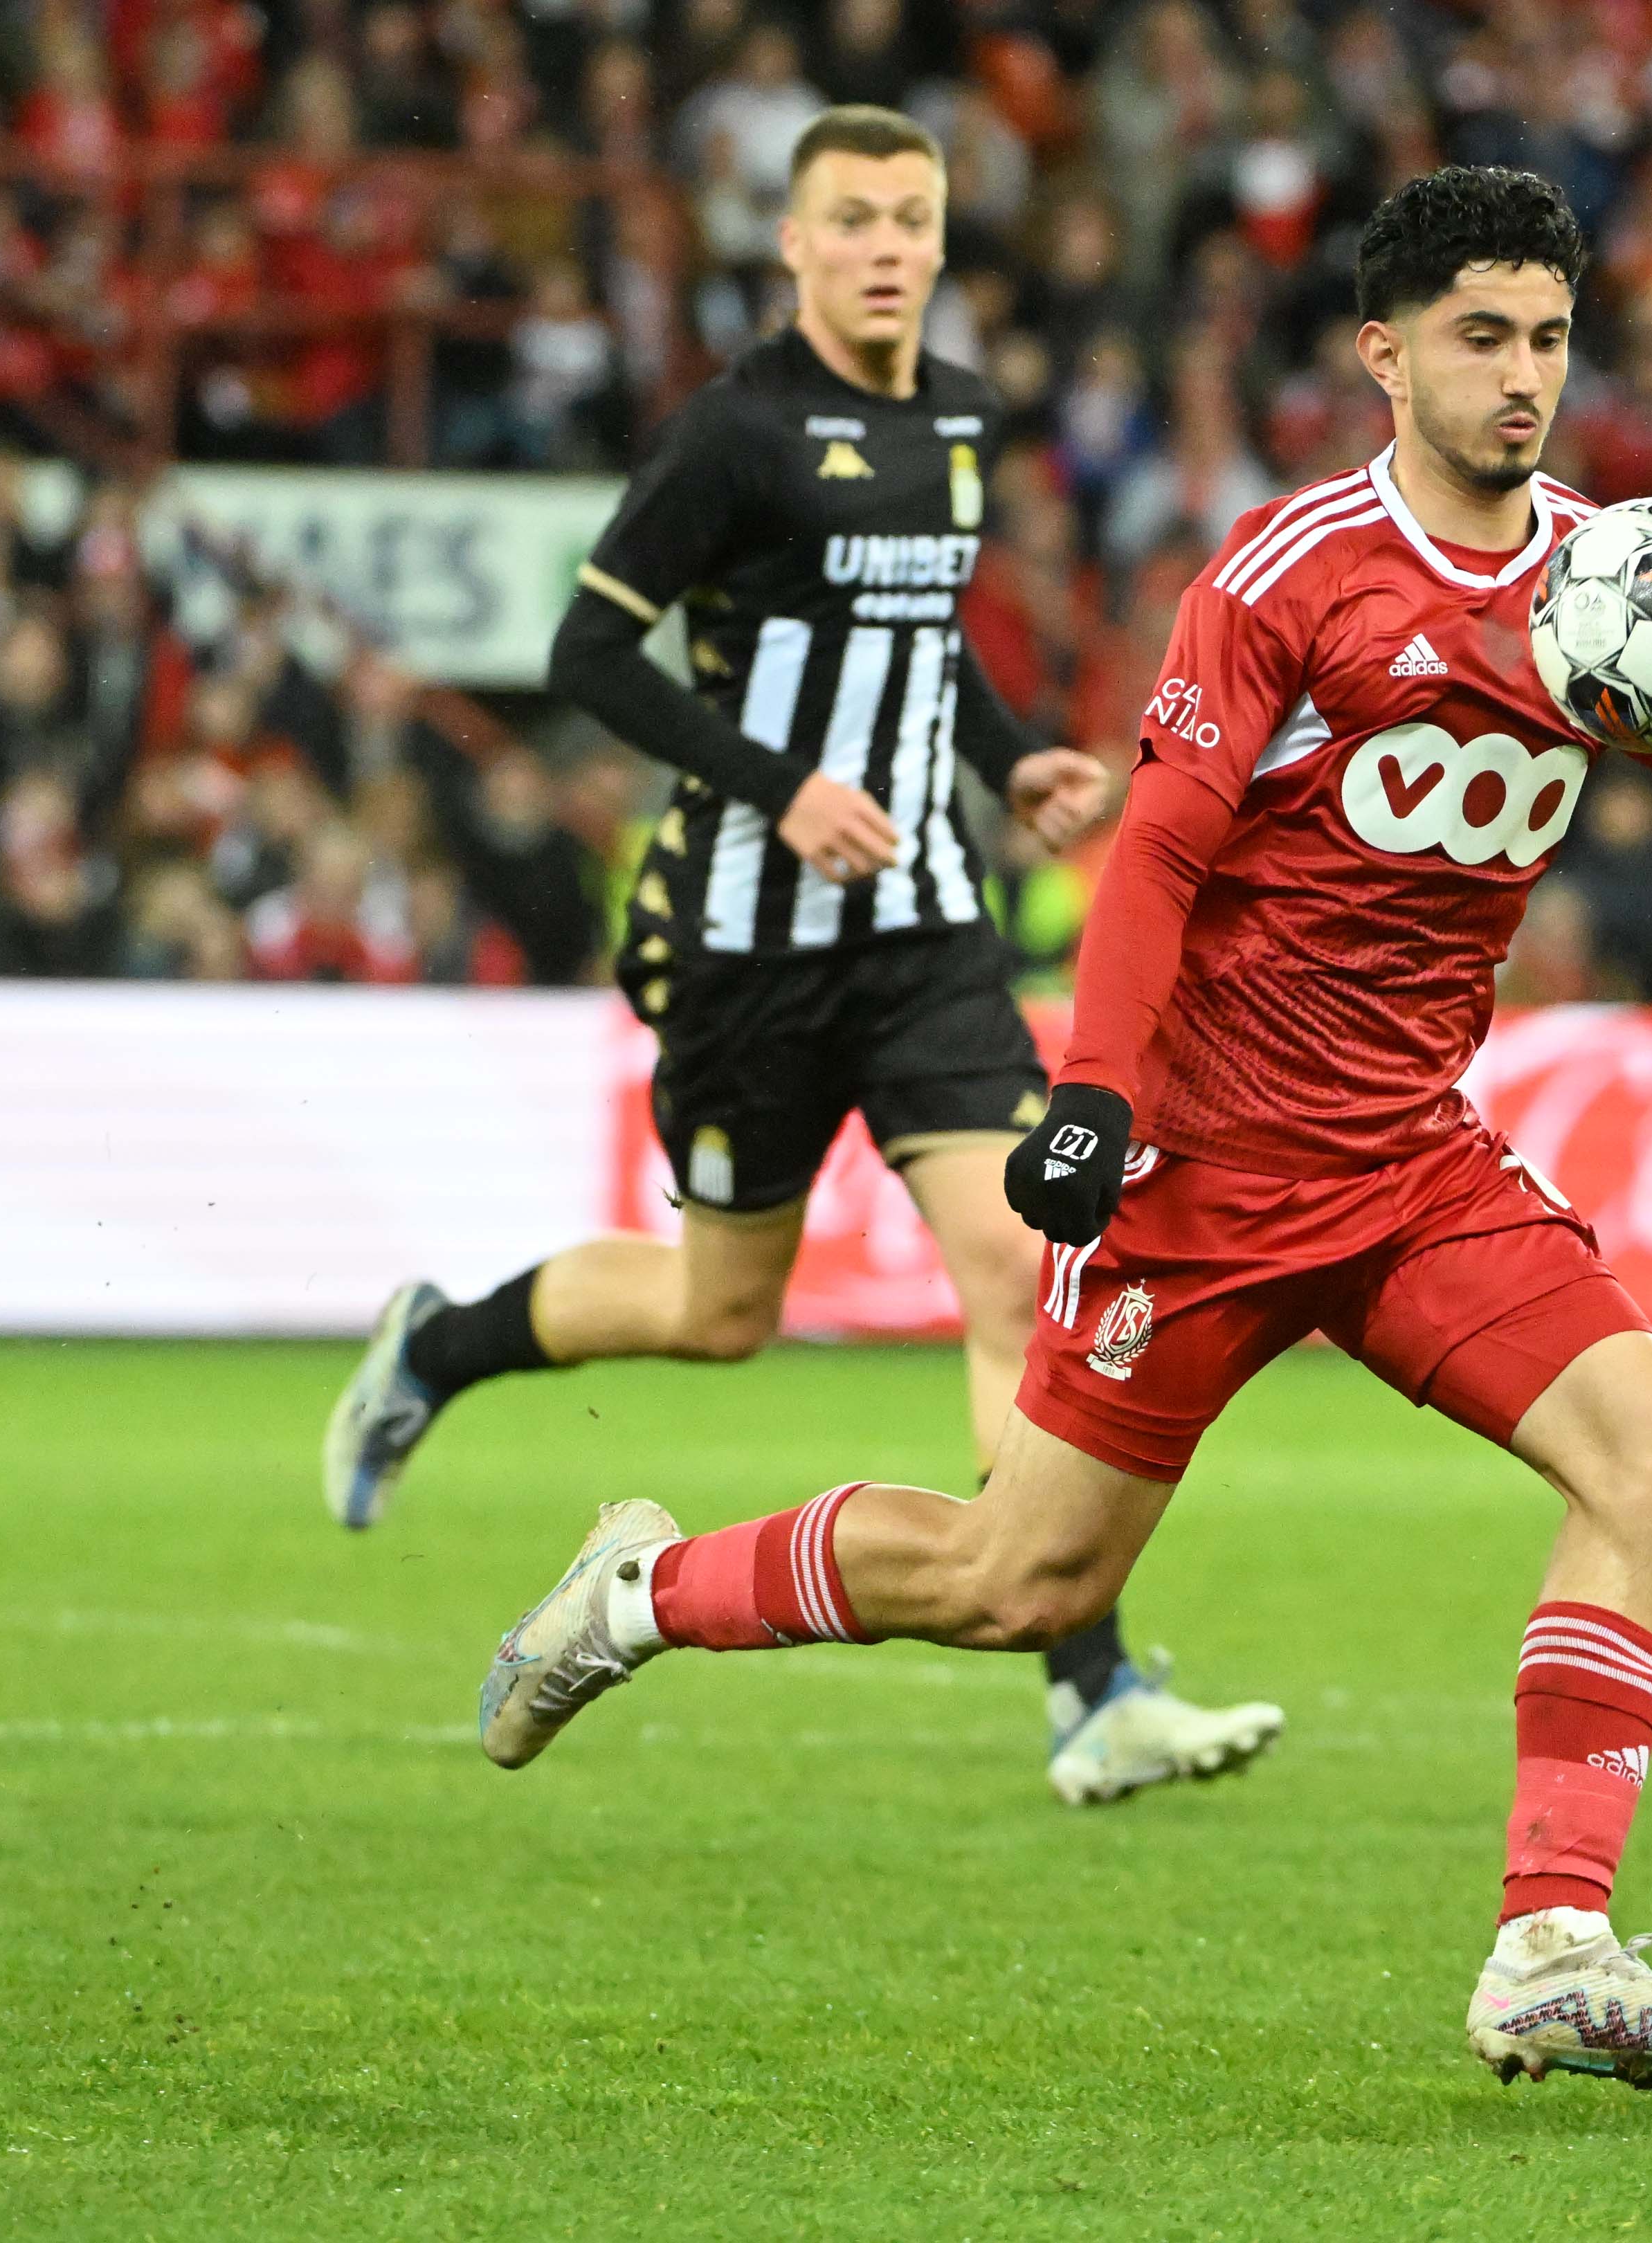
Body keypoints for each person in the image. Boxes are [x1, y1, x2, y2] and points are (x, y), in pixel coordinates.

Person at [466, 167, 1652, 2090]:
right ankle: (641, 1591)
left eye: (1546, 338)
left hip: (1411, 1162)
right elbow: (1163, 845)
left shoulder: (1620, 590)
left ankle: (1549, 1944)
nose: (1522, 376)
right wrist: (1095, 1096)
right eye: (1479, 337)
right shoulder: (1289, 573)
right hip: (1199, 1169)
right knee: (1024, 1582)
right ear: (1383, 357)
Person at [325, 107, 1281, 1808]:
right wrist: (781, 788)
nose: (885, 247)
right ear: (791, 244)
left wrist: (1007, 765)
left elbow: (918, 644)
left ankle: (1089, 1685)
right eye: (851, 220)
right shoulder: (735, 433)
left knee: (1020, 1268)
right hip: (751, 945)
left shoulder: (962, 417)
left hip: (921, 934)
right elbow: (588, 653)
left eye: (910, 218)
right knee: (718, 1313)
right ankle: (435, 1347)